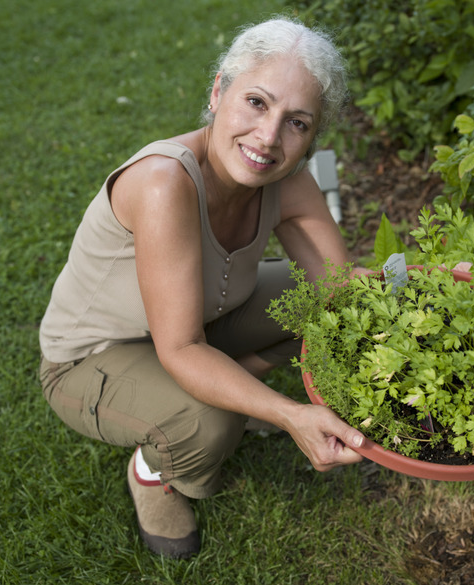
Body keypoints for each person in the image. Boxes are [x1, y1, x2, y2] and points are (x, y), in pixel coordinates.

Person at [38, 17, 367, 559]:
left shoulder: (288, 179)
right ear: (218, 91)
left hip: (200, 323)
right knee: (207, 422)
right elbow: (180, 348)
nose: (268, 137)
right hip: (92, 359)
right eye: (257, 102)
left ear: (312, 138)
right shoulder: (165, 183)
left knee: (319, 307)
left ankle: (233, 397)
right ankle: (154, 471)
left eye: (297, 123)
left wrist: (424, 286)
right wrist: (288, 414)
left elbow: (338, 289)